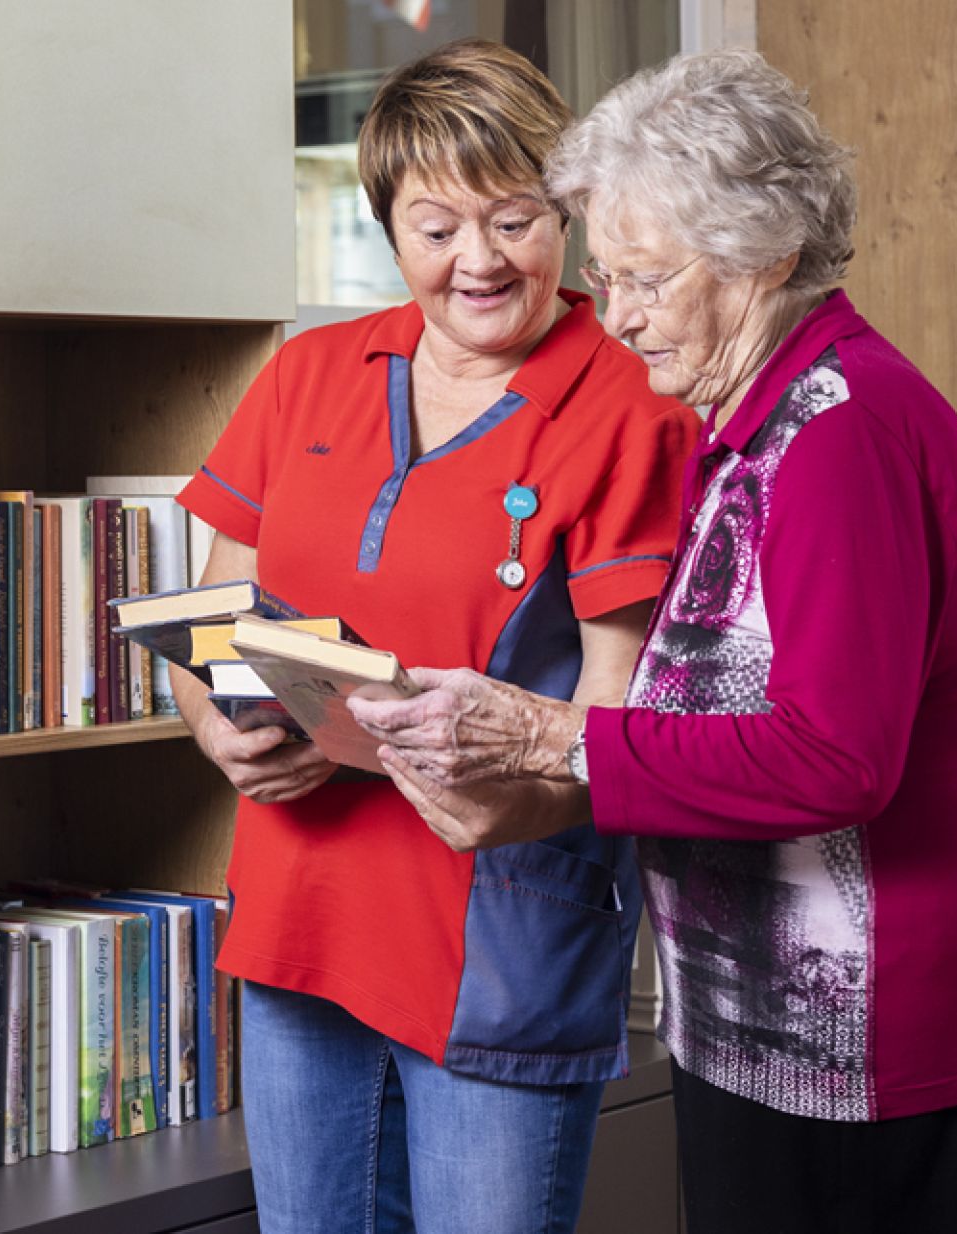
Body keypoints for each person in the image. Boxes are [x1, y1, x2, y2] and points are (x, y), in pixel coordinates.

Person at [348, 47, 957, 1233]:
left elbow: (836, 756)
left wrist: (561, 736)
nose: (621, 313)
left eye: (649, 277)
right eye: (609, 274)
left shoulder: (835, 436)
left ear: (768, 256)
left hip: (853, 1019)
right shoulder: (755, 417)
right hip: (801, 999)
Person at [171, 39, 700, 1234]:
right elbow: (214, 612)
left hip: (497, 933)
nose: (478, 261)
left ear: (564, 213)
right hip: (301, 908)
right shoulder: (309, 374)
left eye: (514, 220)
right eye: (437, 226)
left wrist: (502, 794)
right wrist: (220, 729)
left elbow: (620, 725)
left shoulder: (631, 400)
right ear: (386, 226)